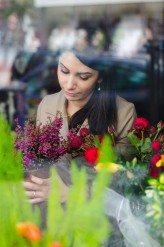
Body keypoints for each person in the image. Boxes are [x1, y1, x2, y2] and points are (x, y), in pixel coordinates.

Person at [24, 49, 160, 247]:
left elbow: (125, 181)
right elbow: (39, 159)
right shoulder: (48, 104)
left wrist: (71, 193)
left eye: (83, 76)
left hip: (96, 225)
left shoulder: (122, 112)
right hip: (51, 221)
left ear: (100, 77)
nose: (69, 84)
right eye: (64, 71)